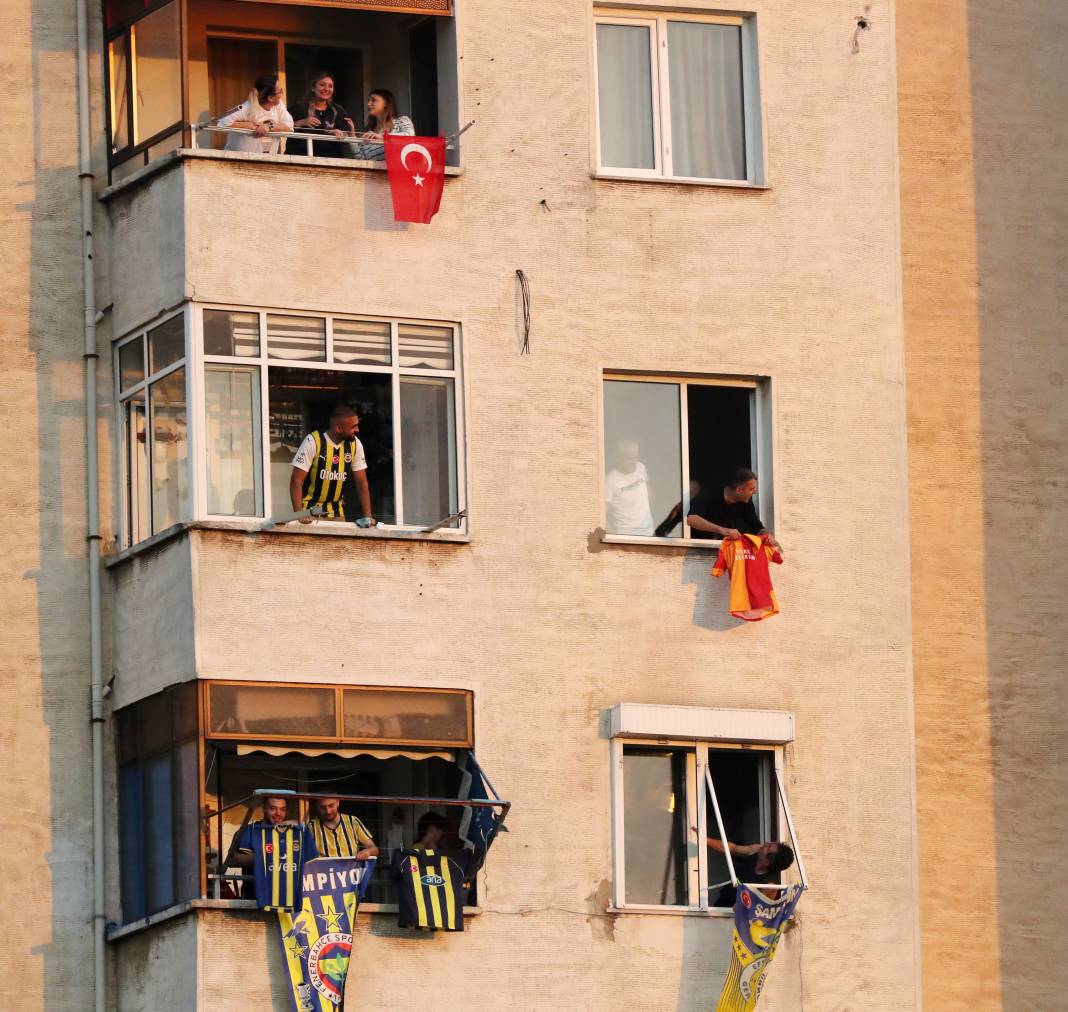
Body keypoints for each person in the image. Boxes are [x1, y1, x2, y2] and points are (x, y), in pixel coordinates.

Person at [289, 404, 375, 525]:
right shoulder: (313, 441)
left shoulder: (355, 444)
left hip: (337, 514)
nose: (357, 430)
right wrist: (299, 515)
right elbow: (296, 481)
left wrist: (368, 517)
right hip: (310, 514)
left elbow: (362, 483)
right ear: (339, 428)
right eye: (353, 427)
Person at [686, 467, 782, 551]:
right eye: (752, 489)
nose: (755, 492)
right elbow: (692, 519)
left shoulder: (746, 502)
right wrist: (722, 530)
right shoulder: (710, 493)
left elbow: (756, 526)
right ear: (739, 490)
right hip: (701, 549)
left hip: (730, 553)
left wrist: (767, 536)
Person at [216, 74, 293, 154]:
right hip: (238, 160)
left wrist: (269, 127)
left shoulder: (279, 105)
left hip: (264, 161)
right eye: (280, 91)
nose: (282, 94)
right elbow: (221, 123)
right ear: (270, 98)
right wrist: (250, 126)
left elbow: (290, 127)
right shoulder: (247, 107)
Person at [707, 837, 795, 907]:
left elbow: (759, 911)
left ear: (767, 861)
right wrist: (706, 840)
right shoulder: (756, 850)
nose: (766, 843)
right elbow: (732, 848)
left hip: (736, 917)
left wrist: (742, 908)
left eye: (768, 847)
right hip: (724, 899)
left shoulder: (770, 886)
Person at [289, 71, 356, 158]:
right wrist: (302, 122)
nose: (326, 89)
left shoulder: (338, 111)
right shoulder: (299, 108)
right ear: (313, 87)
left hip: (330, 161)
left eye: (330, 86)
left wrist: (340, 134)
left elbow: (347, 135)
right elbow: (283, 127)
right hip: (300, 159)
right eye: (322, 85)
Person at [604, 439, 654, 536]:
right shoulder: (611, 480)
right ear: (618, 458)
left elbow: (648, 492)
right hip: (627, 536)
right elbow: (602, 514)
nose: (634, 462)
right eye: (629, 458)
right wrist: (613, 535)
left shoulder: (641, 468)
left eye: (636, 457)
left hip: (649, 533)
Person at [308, 796, 379, 859]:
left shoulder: (352, 821)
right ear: (317, 807)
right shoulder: (311, 827)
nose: (328, 811)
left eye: (331, 806)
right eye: (323, 807)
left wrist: (367, 852)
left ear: (338, 802)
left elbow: (374, 849)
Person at [354, 89, 414, 161]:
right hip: (374, 172)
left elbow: (410, 137)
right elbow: (361, 159)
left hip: (398, 172)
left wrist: (383, 137)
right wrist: (351, 138)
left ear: (386, 103)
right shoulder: (369, 132)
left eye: (373, 100)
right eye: (368, 101)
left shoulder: (401, 121)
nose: (368, 104)